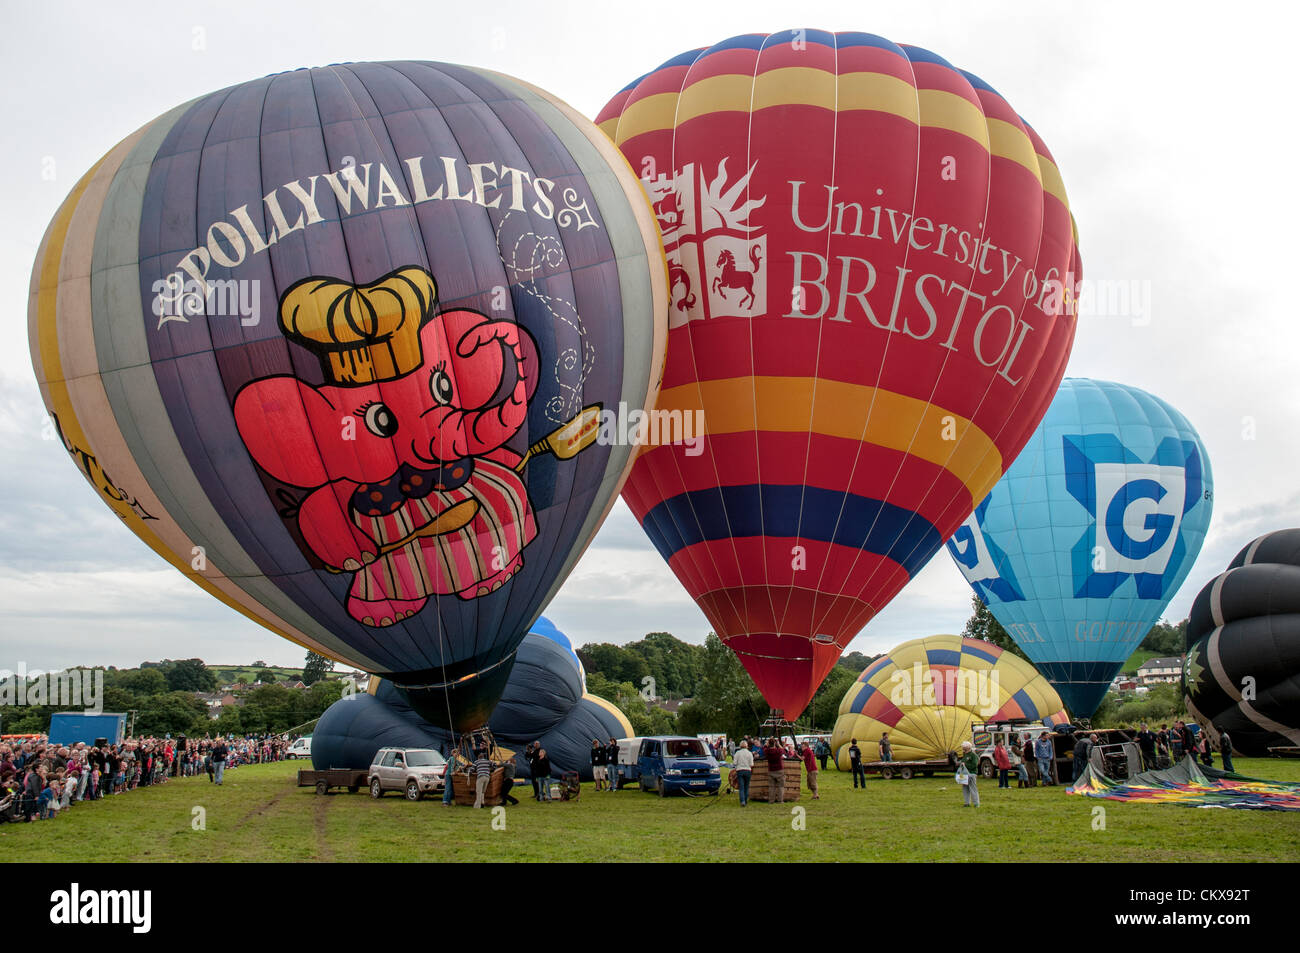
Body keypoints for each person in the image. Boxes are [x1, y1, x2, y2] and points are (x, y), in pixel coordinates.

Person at [958, 741, 980, 807]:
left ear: (968, 747)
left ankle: (976, 803)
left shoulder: (973, 755)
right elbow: (963, 762)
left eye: (964, 747)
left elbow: (974, 765)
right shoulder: (965, 755)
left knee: (973, 788)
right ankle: (967, 802)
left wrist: (965, 765)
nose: (963, 748)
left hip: (972, 774)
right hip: (964, 774)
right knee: (965, 788)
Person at [733, 740, 754, 806]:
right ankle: (745, 800)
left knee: (741, 787)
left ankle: (742, 801)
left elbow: (734, 763)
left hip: (740, 771)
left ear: (740, 746)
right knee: (746, 786)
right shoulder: (749, 753)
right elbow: (752, 764)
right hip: (747, 770)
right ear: (747, 746)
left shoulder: (737, 753)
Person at [765, 738, 785, 804]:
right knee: (780, 786)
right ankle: (780, 800)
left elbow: (764, 748)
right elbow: (783, 749)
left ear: (769, 744)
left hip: (771, 770)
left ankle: (771, 801)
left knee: (771, 787)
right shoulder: (778, 751)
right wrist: (778, 744)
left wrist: (767, 744)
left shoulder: (767, 751)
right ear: (775, 744)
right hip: (779, 770)